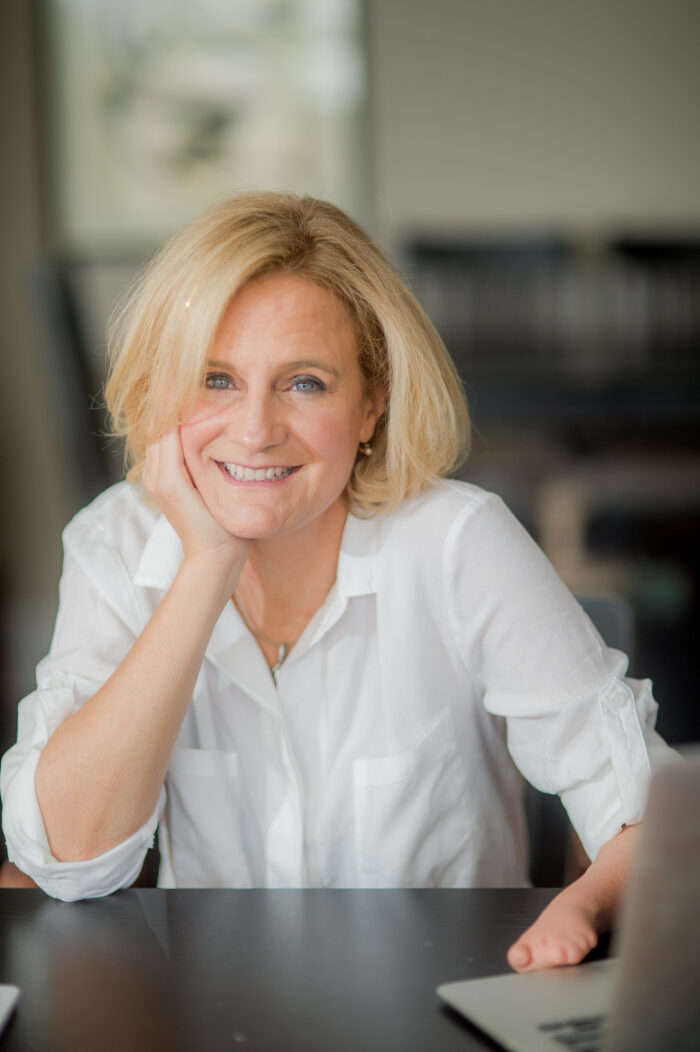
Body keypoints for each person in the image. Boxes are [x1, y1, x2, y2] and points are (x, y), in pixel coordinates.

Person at [1, 191, 672, 971]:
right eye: (216, 379)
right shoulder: (114, 544)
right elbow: (68, 859)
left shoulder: (458, 542)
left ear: (372, 405)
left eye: (305, 383)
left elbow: (655, 824)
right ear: (164, 392)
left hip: (441, 1004)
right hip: (213, 1013)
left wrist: (582, 904)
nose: (256, 429)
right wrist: (209, 564)